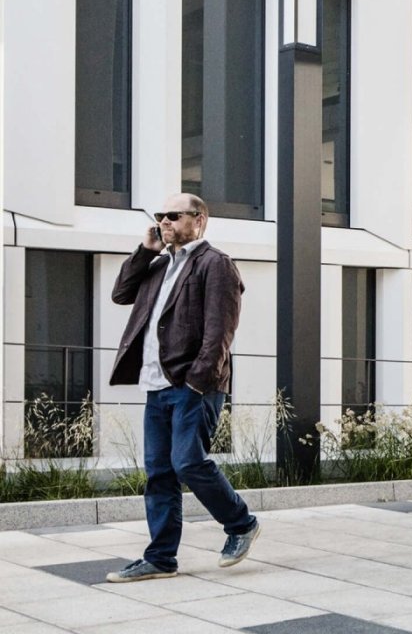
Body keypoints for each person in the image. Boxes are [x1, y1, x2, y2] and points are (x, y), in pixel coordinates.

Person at [105, 195, 260, 582]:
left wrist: (196, 382)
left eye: (174, 215)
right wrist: (146, 250)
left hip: (193, 385)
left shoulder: (215, 263)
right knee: (159, 473)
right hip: (156, 385)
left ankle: (241, 524)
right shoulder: (159, 264)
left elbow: (219, 332)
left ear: (199, 220)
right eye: (161, 216)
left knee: (188, 462)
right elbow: (121, 293)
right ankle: (161, 558)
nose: (165, 221)